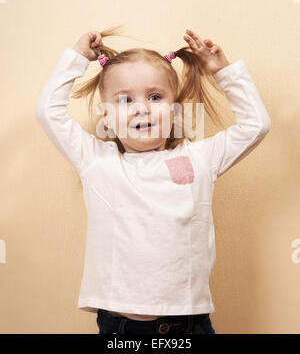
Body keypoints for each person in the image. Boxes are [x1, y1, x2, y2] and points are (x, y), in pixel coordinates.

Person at [34, 25, 271, 334]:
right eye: (125, 100)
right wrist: (77, 58)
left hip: (189, 325)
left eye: (155, 96)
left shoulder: (199, 160)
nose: (142, 108)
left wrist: (222, 71)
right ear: (105, 115)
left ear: (173, 109)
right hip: (120, 327)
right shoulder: (97, 161)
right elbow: (47, 112)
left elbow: (256, 125)